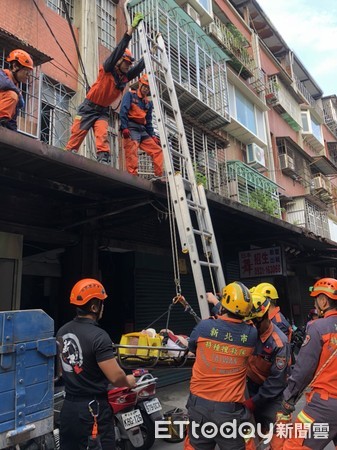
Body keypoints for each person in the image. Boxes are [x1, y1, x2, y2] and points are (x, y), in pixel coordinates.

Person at [56, 278, 136, 450]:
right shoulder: (99, 336)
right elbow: (115, 377)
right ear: (94, 307)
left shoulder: (62, 332)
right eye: (101, 303)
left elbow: (62, 369)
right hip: (93, 411)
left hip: (68, 409)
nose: (103, 307)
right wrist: (129, 380)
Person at [184, 281, 258, 450]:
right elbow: (233, 323)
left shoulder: (204, 327)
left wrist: (216, 303)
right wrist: (218, 304)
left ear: (224, 305)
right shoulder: (251, 334)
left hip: (198, 407)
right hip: (229, 412)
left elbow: (192, 347)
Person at [65, 12, 145, 164]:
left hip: (102, 111)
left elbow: (137, 70)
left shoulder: (123, 78)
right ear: (119, 62)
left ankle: (103, 160)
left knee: (102, 135)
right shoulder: (108, 69)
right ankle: (68, 154)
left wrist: (150, 55)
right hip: (88, 107)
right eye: (126, 63)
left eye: (129, 64)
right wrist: (130, 31)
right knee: (77, 134)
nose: (128, 67)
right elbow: (118, 50)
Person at [281, 277, 337, 449]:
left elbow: (303, 369)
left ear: (323, 300)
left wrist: (289, 397)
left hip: (324, 404)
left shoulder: (318, 327)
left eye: (316, 299)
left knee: (294, 444)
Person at [244, 292, 291, 450]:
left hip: (271, 395)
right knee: (249, 435)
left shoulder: (279, 343)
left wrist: (254, 401)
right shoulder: (248, 332)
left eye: (255, 322)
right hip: (249, 388)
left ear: (265, 316)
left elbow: (276, 382)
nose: (252, 326)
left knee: (278, 439)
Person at [119, 73, 164, 178]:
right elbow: (123, 111)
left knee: (157, 150)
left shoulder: (148, 103)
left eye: (148, 88)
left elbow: (148, 122)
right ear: (140, 84)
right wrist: (124, 127)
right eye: (145, 86)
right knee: (132, 149)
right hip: (131, 127)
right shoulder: (130, 95)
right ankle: (132, 175)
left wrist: (152, 135)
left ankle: (159, 175)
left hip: (142, 130)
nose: (146, 89)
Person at [0, 49, 33, 131]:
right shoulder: (2, 74)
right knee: (12, 95)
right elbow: (4, 83)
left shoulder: (14, 88)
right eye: (27, 72)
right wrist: (18, 93)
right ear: (15, 66)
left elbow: (12, 117)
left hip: (3, 121)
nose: (28, 76)